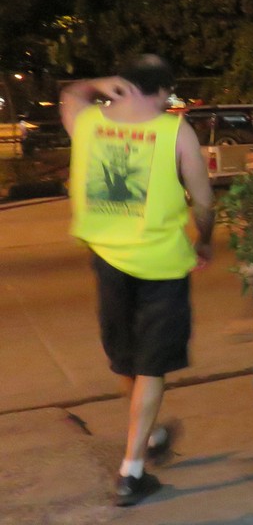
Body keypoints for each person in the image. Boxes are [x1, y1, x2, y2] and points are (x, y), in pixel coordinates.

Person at [61, 54, 214, 507]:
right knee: (151, 365)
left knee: (126, 358)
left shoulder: (87, 122)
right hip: (161, 263)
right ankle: (131, 472)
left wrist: (102, 82)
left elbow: (70, 93)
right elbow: (204, 201)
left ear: (124, 82)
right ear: (164, 91)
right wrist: (205, 241)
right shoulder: (176, 131)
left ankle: (149, 437)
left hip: (107, 259)